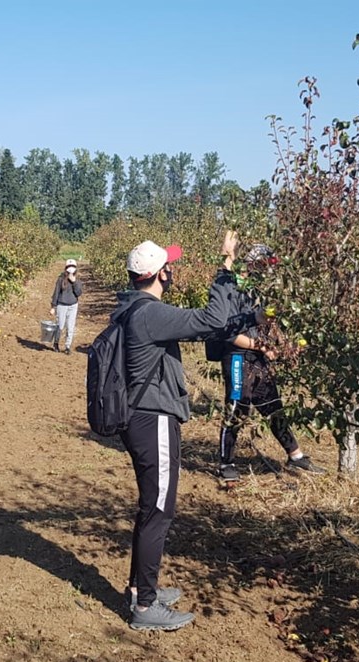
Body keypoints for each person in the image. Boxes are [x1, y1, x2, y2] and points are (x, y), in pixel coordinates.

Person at [114, 237, 263, 631]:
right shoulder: (151, 313)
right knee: (158, 511)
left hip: (143, 418)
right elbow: (213, 321)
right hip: (153, 420)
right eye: (169, 265)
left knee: (152, 507)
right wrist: (225, 268)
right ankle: (145, 608)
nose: (173, 270)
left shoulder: (135, 308)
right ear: (158, 273)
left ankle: (140, 589)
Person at [204, 234, 326, 484]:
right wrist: (261, 346)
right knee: (237, 407)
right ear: (252, 265)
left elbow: (268, 325)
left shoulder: (261, 292)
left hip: (257, 356)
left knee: (272, 403)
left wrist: (286, 347)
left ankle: (296, 455)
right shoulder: (234, 289)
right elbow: (228, 333)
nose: (268, 271)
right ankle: (226, 462)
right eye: (264, 266)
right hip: (237, 356)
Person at [50, 258, 83, 354]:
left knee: (70, 326)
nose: (71, 269)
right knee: (60, 326)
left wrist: (74, 282)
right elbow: (56, 293)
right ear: (66, 268)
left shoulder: (78, 281)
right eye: (69, 267)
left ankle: (67, 346)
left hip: (73, 306)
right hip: (62, 305)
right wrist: (53, 306)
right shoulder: (60, 279)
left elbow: (78, 293)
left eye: (73, 267)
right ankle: (56, 343)